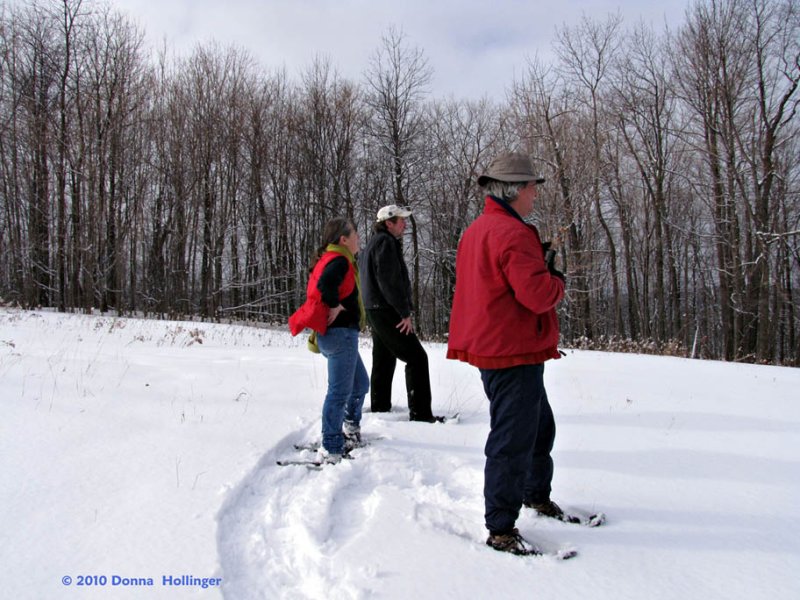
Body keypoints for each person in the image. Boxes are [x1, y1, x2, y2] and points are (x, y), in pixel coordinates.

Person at [447, 152, 568, 555]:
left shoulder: (480, 229)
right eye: (533, 186)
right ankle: (501, 528)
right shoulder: (513, 233)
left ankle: (535, 496)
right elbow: (537, 295)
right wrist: (555, 279)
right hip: (511, 351)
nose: (536, 193)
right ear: (516, 190)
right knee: (513, 439)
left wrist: (538, 261)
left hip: (503, 347)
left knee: (537, 428)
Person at [289, 218, 369, 463]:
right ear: (343, 239)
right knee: (339, 393)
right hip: (340, 335)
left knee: (360, 384)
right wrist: (335, 305)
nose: (358, 237)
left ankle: (350, 428)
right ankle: (332, 445)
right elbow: (326, 285)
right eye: (355, 234)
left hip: (340, 335)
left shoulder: (333, 258)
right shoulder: (340, 260)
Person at [360, 205, 442, 423]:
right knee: (416, 358)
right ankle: (421, 414)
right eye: (401, 221)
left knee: (384, 358)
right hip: (386, 309)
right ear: (389, 223)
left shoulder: (372, 244)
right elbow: (389, 282)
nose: (405, 225)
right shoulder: (386, 243)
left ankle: (380, 407)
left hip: (374, 309)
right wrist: (404, 312)